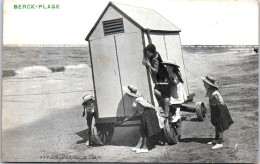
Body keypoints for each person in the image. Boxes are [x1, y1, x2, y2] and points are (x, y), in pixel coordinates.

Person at [117, 85, 162, 153]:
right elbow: (134, 112)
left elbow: (149, 106)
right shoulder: (134, 100)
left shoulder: (139, 99)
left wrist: (156, 112)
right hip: (144, 114)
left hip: (148, 113)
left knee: (146, 131)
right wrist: (126, 119)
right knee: (142, 131)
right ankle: (140, 146)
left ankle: (145, 147)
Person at [201, 75, 233, 149]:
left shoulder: (215, 92)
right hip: (214, 108)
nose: (204, 85)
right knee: (215, 123)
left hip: (219, 109)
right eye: (204, 83)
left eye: (205, 83)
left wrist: (218, 107)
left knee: (220, 124)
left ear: (209, 84)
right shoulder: (210, 90)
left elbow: (221, 101)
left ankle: (220, 141)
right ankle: (216, 139)